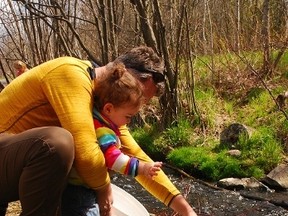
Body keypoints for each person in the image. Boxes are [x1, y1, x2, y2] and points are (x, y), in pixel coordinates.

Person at [0, 46, 197, 216]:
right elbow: (86, 153)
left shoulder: (103, 110)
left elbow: (136, 155)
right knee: (58, 143)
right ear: (122, 74)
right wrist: (104, 189)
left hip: (14, 166)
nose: (136, 105)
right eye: (138, 96)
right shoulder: (71, 73)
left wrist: (185, 209)